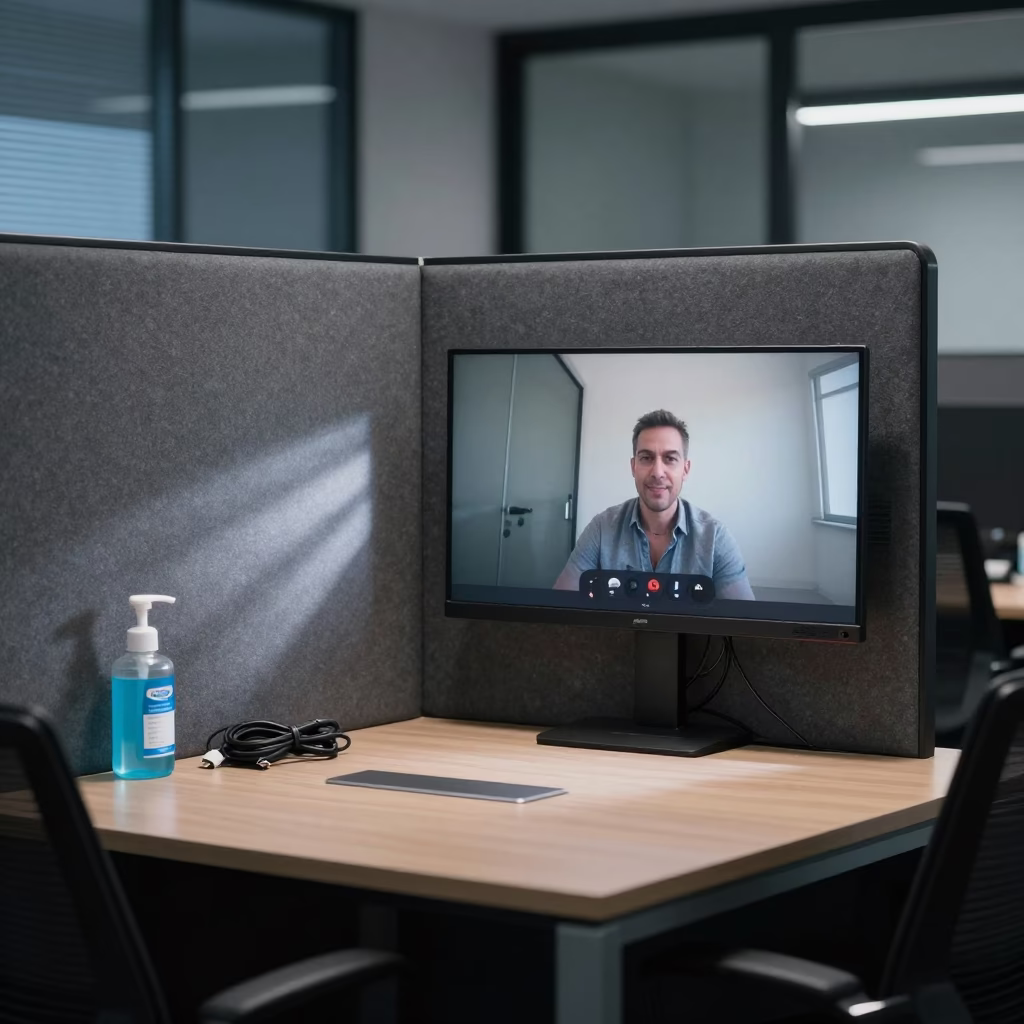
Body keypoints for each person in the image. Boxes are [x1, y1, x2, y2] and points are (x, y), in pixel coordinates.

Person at [553, 410, 755, 599]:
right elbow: (560, 609)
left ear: (685, 469)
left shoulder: (715, 538)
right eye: (646, 458)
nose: (658, 472)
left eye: (670, 458)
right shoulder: (601, 529)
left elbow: (744, 626)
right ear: (634, 467)